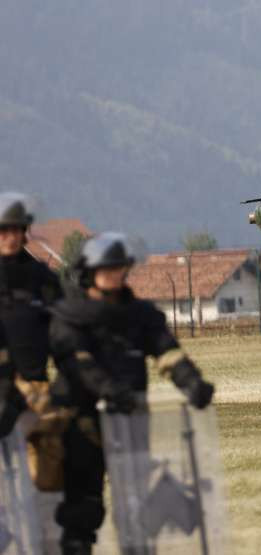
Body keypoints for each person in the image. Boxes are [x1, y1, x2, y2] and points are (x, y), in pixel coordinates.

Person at [48, 232, 214, 555]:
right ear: (88, 273)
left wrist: (192, 382)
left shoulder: (140, 314)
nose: (114, 275)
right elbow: (78, 364)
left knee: (136, 503)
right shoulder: (68, 316)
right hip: (81, 423)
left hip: (131, 419)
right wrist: (110, 390)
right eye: (105, 269)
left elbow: (167, 352)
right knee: (82, 506)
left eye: (118, 268)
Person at [0, 193, 67, 491]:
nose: (10, 237)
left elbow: (65, 328)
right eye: (3, 231)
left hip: (36, 390)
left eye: (16, 230)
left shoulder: (41, 278)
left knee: (48, 479)